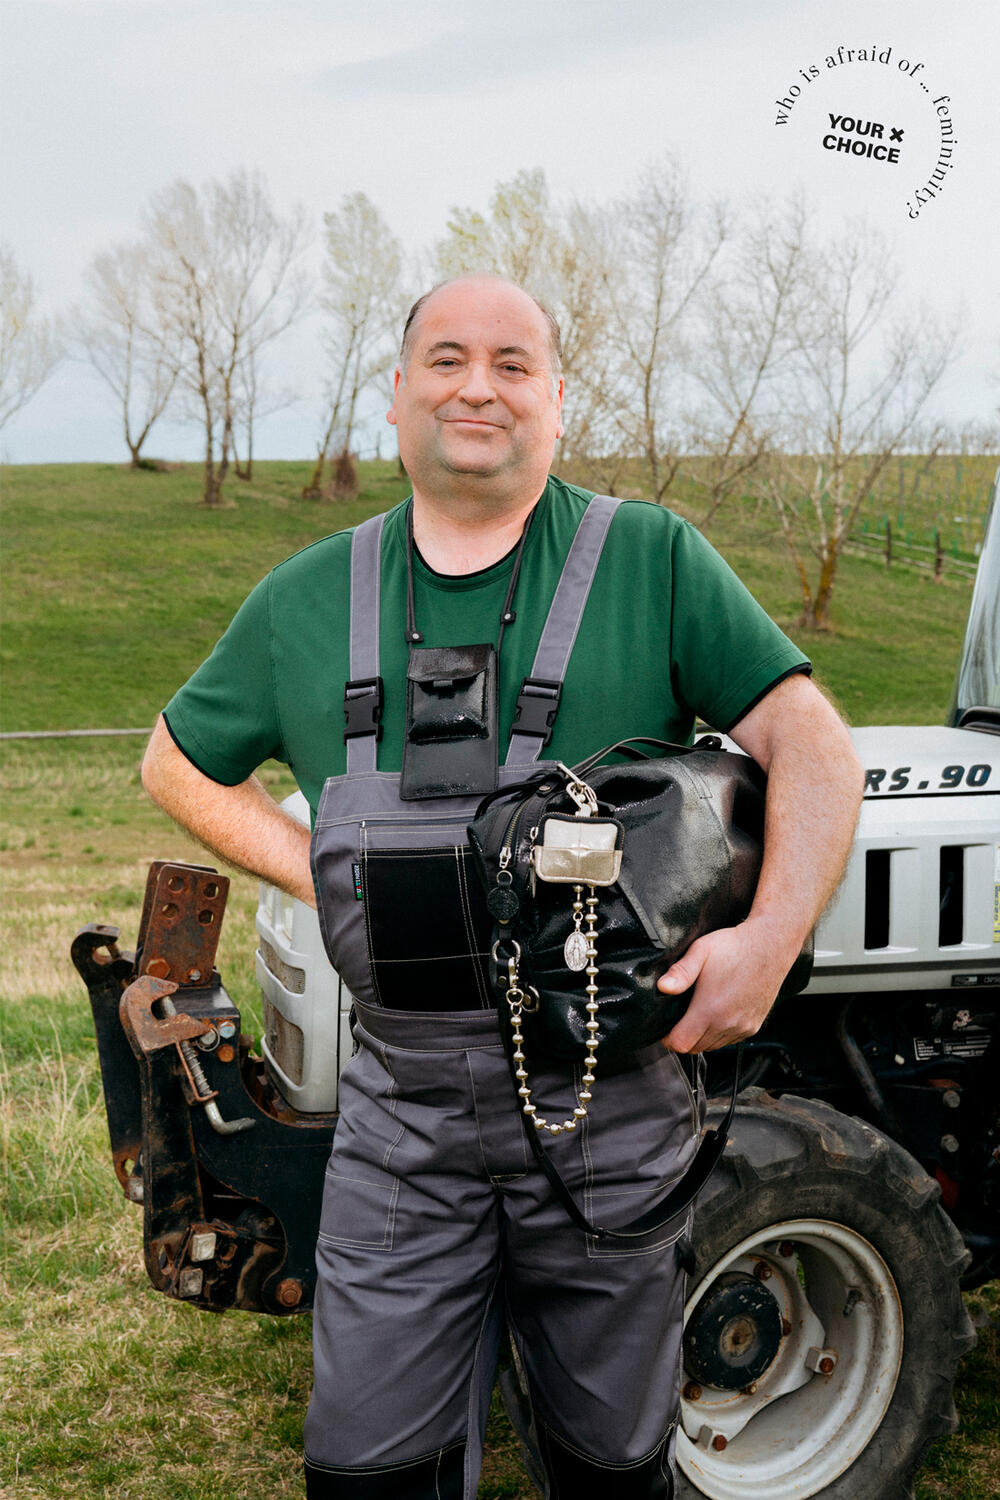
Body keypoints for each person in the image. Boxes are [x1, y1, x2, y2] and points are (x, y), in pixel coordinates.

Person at [141, 273, 864, 1499]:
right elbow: (175, 766)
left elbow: (816, 749)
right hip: (402, 1114)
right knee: (367, 1463)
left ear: (556, 401)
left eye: (513, 364)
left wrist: (768, 941)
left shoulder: (651, 558)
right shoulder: (307, 597)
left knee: (611, 1460)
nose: (479, 386)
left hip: (611, 1100)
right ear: (397, 395)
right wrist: (328, 881)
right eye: (447, 359)